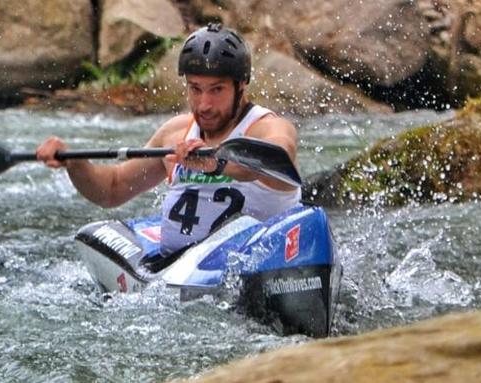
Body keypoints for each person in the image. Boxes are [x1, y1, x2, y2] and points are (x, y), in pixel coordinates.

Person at [37, 23, 301, 254]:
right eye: (195, 89)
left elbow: (279, 155)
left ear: (241, 84)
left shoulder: (267, 128)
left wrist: (215, 163)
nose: (204, 104)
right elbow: (113, 189)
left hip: (257, 264)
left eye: (216, 90)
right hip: (177, 274)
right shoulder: (176, 133)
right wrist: (74, 163)